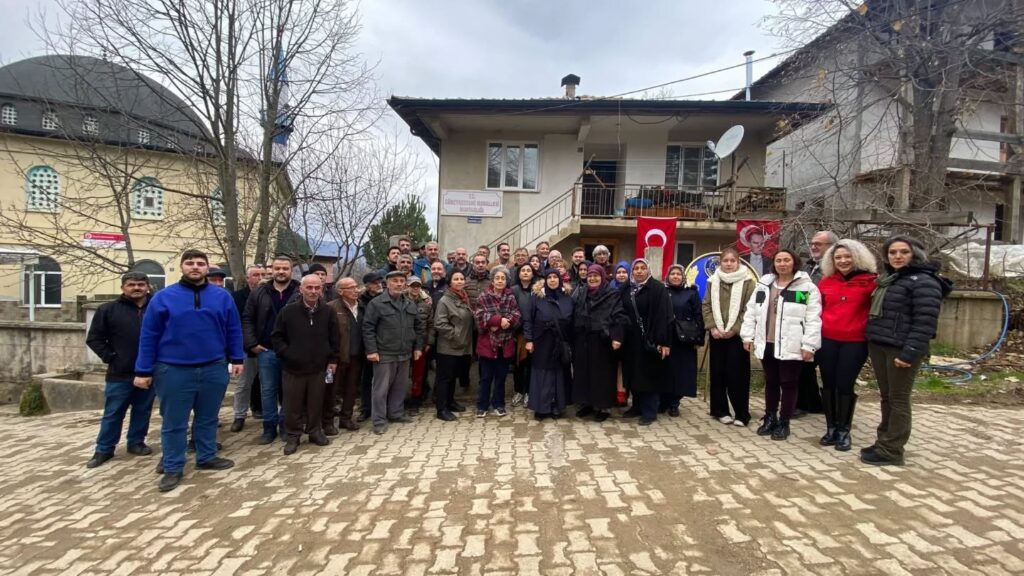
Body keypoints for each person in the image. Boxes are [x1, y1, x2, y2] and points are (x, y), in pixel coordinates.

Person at [135, 249, 243, 492]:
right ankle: (173, 466)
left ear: (207, 268)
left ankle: (206, 456)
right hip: (173, 369)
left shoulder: (222, 297)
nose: (195, 267)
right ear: (182, 267)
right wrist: (143, 370)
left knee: (208, 418)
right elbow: (148, 335)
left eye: (200, 264)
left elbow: (233, 328)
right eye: (190, 263)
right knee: (174, 421)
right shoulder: (163, 298)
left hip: (213, 366)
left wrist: (237, 358)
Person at [862, 236, 950, 466]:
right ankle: (884, 441)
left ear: (916, 254)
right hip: (881, 344)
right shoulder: (890, 279)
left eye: (904, 252)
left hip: (901, 349)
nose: (897, 256)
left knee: (899, 399)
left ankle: (892, 450)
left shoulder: (924, 281)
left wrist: (909, 352)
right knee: (886, 397)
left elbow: (925, 322)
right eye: (892, 252)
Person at [740, 249, 822, 441]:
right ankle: (770, 417)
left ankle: (784, 422)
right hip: (767, 341)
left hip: (791, 343)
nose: (782, 264)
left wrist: (809, 345)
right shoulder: (764, 285)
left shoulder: (806, 288)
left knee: (789, 383)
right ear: (774, 263)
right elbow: (751, 311)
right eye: (779, 260)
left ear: (794, 263)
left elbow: (813, 318)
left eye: (786, 260)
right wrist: (747, 336)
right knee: (772, 382)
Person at [85, 272, 155, 468]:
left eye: (141, 284)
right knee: (114, 412)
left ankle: (136, 442)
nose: (136, 288)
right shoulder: (109, 310)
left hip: (149, 371)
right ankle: (104, 449)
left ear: (147, 287)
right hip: (120, 372)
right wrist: (112, 357)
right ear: (123, 287)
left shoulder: (155, 308)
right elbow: (94, 339)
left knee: (143, 409)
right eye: (131, 285)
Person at [816, 239, 878, 452]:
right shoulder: (825, 282)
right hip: (827, 340)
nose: (843, 261)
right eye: (838, 257)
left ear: (857, 257)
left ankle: (844, 430)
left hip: (855, 342)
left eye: (847, 256)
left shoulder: (871, 282)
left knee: (845, 384)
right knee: (829, 383)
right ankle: (831, 427)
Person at [271, 274, 339, 455]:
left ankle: (315, 431)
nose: (313, 291)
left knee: (316, 402)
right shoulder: (288, 311)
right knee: (293, 404)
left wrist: (332, 360)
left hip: (318, 367)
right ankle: (293, 435)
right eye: (309, 287)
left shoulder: (328, 311)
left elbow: (334, 338)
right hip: (293, 368)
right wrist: (288, 354)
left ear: (322, 290)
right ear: (301, 289)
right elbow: (277, 338)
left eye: (317, 288)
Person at [243, 256, 300, 445]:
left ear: (291, 270)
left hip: (292, 350)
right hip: (266, 350)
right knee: (267, 390)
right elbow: (248, 318)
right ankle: (269, 428)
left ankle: (285, 425)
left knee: (289, 391)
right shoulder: (260, 291)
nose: (281, 272)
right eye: (277, 268)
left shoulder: (300, 290)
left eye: (285, 268)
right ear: (272, 270)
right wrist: (251, 343)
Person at [362, 271, 425, 435]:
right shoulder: (377, 303)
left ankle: (396, 413)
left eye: (401, 281)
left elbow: (419, 327)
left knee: (400, 386)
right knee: (380, 389)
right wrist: (372, 350)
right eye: (394, 281)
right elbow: (368, 328)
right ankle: (379, 421)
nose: (398, 284)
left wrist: (418, 347)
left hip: (404, 352)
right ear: (387, 283)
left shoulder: (410, 304)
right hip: (384, 353)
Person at [701, 248, 755, 427]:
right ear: (720, 263)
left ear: (738, 262)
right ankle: (720, 410)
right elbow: (706, 305)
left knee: (737, 375)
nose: (729, 264)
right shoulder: (712, 281)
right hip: (717, 334)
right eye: (726, 261)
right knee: (718, 373)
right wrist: (712, 327)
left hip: (737, 336)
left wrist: (735, 329)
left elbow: (749, 309)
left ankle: (741, 413)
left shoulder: (748, 282)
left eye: (733, 261)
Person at [571, 264, 627, 421]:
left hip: (603, 340)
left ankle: (603, 407)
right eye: (590, 276)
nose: (592, 278)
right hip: (583, 339)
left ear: (602, 277)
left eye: (596, 276)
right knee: (584, 373)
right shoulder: (582, 292)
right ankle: (586, 404)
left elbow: (619, 316)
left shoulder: (612, 294)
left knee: (602, 375)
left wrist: (617, 337)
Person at [620, 259, 672, 425]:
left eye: (643, 268)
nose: (639, 271)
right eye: (636, 268)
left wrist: (663, 342)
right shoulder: (627, 289)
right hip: (630, 340)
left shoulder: (658, 289)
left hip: (650, 339)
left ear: (648, 271)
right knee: (634, 374)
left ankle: (649, 411)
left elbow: (664, 316)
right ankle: (636, 407)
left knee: (649, 375)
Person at [525, 269, 573, 419]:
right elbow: (528, 319)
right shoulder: (536, 298)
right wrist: (529, 340)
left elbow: (572, 320)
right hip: (542, 341)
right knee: (542, 374)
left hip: (560, 342)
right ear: (545, 280)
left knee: (558, 374)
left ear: (560, 280)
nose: (553, 280)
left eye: (555, 277)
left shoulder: (567, 298)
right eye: (550, 277)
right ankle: (542, 408)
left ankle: (557, 407)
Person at [473, 267, 521, 417]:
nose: (500, 281)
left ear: (507, 281)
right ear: (492, 280)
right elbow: (479, 317)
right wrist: (500, 320)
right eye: (497, 278)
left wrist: (508, 321)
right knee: (486, 377)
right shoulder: (483, 297)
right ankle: (482, 405)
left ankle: (499, 404)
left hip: (505, 343)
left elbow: (517, 314)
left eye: (503, 278)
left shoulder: (510, 297)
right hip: (488, 343)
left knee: (501, 377)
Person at [433, 270, 474, 421]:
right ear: (450, 282)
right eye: (456, 279)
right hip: (449, 347)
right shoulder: (445, 300)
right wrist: (455, 335)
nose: (459, 281)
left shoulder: (463, 297)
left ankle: (450, 402)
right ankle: (441, 408)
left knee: (452, 377)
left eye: (462, 279)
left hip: (462, 346)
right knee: (444, 378)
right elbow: (439, 323)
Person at [663, 264, 703, 417]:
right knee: (666, 370)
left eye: (678, 274)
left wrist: (698, 339)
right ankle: (664, 400)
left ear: (683, 277)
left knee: (682, 372)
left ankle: (675, 403)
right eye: (672, 273)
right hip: (667, 338)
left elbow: (699, 316)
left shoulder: (691, 294)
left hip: (685, 340)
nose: (675, 276)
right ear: (668, 276)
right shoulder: (663, 292)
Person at [327, 277, 364, 431]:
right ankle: (327, 422)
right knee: (331, 390)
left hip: (356, 356)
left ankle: (346, 418)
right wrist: (330, 357)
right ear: (340, 291)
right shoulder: (331, 308)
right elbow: (326, 335)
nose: (355, 290)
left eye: (356, 286)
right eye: (350, 287)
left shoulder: (362, 307)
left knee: (351, 389)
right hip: (337, 358)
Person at [231, 265, 264, 431]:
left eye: (262, 274)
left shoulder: (268, 294)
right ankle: (239, 415)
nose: (259, 278)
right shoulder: (237, 298)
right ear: (247, 278)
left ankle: (264, 411)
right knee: (244, 384)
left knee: (268, 383)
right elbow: (238, 324)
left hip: (268, 347)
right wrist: (250, 344)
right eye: (255, 275)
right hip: (247, 348)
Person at [357, 272, 383, 422]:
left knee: (382, 380)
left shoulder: (384, 298)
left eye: (379, 281)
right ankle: (366, 408)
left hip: (383, 343)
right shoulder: (360, 300)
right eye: (374, 282)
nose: (378, 284)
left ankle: (381, 408)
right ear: (367, 285)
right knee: (366, 378)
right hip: (365, 344)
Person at [406, 275, 434, 414]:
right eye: (412, 286)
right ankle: (400, 400)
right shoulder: (401, 301)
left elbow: (431, 324)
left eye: (417, 286)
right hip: (404, 344)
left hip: (421, 344)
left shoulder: (426, 303)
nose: (415, 288)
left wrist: (429, 342)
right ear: (408, 287)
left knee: (418, 374)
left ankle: (415, 402)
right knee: (403, 376)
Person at [510, 264, 536, 407]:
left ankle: (529, 392)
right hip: (518, 334)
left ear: (533, 274)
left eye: (529, 271)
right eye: (523, 271)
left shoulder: (537, 290)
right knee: (518, 365)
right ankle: (518, 390)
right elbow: (510, 309)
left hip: (534, 333)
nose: (526, 273)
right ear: (518, 274)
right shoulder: (513, 290)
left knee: (531, 364)